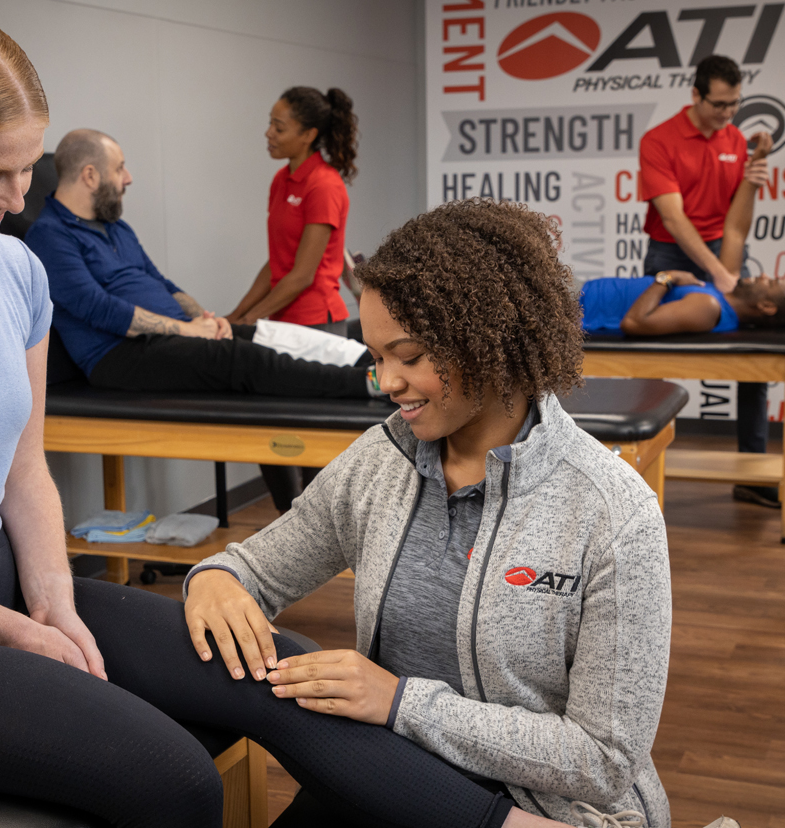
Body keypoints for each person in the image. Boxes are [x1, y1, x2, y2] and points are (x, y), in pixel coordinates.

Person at [0, 18, 582, 828]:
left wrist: (53, 603)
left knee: (290, 671)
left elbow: (23, 471)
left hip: (3, 586)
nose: (16, 197)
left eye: (23, 168)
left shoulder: (12, 266)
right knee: (172, 778)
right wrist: (15, 631)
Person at [183, 199, 682, 828]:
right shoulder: (380, 461)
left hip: (544, 810)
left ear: (491, 340)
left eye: (410, 355)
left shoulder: (612, 511)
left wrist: (401, 704)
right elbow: (250, 568)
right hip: (386, 775)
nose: (386, 381)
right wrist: (212, 580)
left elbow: (605, 760)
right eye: (376, 356)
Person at [24, 128, 378, 403]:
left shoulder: (116, 227)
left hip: (168, 336)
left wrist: (204, 320)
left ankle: (371, 361)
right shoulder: (49, 237)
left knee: (266, 333)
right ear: (89, 175)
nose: (128, 177)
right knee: (240, 358)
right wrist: (186, 331)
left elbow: (160, 281)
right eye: (119, 169)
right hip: (118, 355)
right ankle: (364, 384)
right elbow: (99, 309)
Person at [639, 53, 775, 507]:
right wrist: (717, 274)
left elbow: (735, 223)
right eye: (719, 104)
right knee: (647, 360)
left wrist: (753, 173)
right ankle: (637, 474)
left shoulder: (735, 139)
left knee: (755, 359)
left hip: (724, 251)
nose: (727, 114)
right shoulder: (659, 141)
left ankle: (752, 474)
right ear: (696, 95)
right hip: (671, 251)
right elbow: (674, 220)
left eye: (735, 104)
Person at [226, 87, 357, 334]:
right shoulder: (281, 179)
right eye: (270, 124)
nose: (269, 133)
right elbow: (278, 263)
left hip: (317, 323)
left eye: (279, 128)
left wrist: (249, 319)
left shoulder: (324, 184)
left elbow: (302, 275)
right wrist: (236, 314)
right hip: (281, 320)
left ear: (308, 135)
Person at [580, 270, 785, 335]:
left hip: (578, 306)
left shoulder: (708, 308)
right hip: (583, 292)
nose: (764, 275)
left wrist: (667, 278)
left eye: (771, 282)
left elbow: (634, 323)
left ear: (766, 306)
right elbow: (734, 231)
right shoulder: (721, 297)